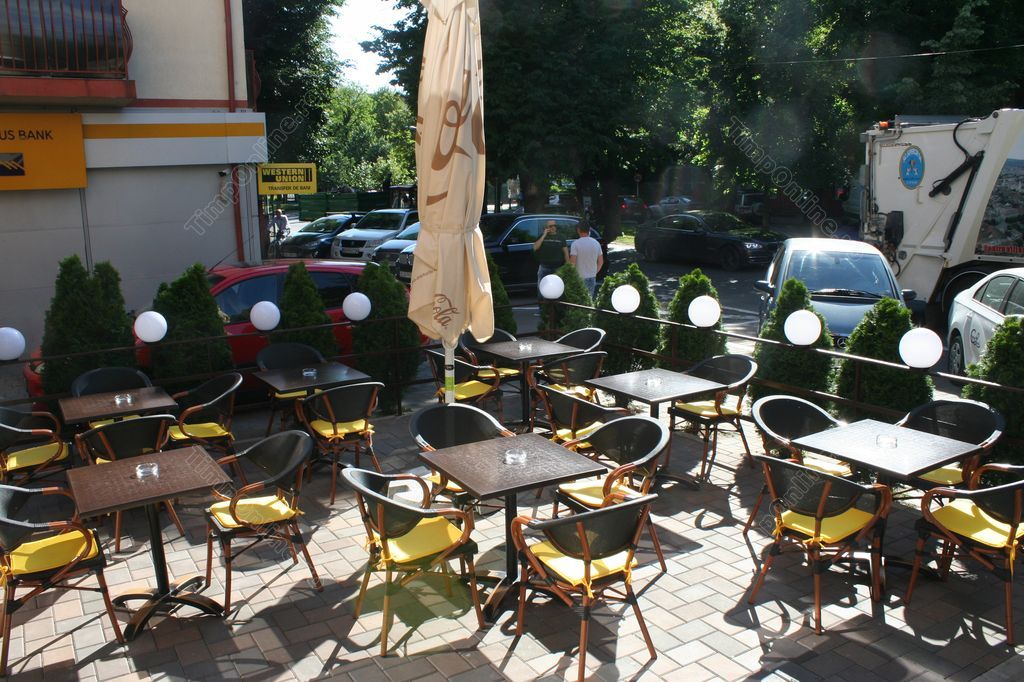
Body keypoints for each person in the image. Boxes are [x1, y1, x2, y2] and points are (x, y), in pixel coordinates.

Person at [569, 223, 604, 297]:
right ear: (589, 230)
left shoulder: (575, 244)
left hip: (579, 277)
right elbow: (601, 262)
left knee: (579, 299)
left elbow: (572, 264)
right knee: (589, 299)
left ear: (578, 230)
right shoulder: (596, 243)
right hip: (592, 277)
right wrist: (594, 272)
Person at [533, 220, 569, 288]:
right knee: (541, 288)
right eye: (550, 226)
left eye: (554, 225)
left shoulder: (561, 237)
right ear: (546, 227)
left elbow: (566, 253)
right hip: (544, 267)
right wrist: (544, 235)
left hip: (558, 268)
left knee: (557, 288)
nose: (553, 227)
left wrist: (568, 266)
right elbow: (535, 248)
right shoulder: (542, 236)